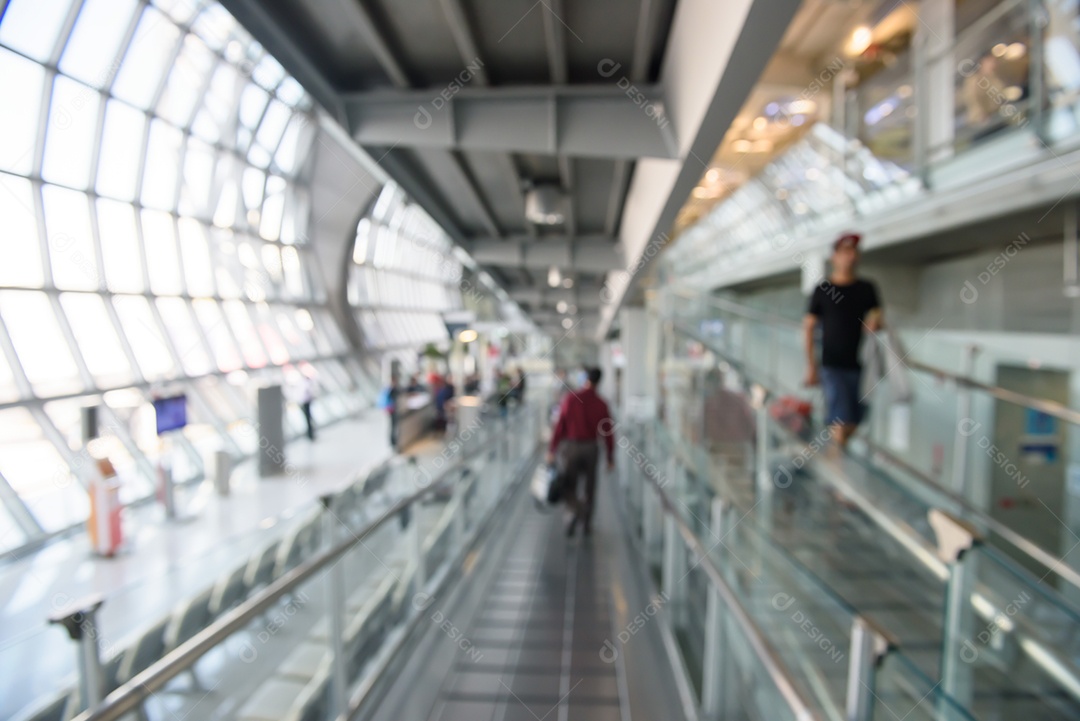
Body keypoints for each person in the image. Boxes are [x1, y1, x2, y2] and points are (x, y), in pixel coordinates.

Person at [803, 232, 883, 449]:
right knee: (840, 418)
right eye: (846, 252)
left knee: (854, 420)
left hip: (858, 364)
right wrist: (811, 365)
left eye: (854, 252)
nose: (851, 257)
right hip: (831, 364)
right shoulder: (823, 290)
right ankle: (837, 472)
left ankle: (837, 457)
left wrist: (874, 321)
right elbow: (808, 327)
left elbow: (877, 314)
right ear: (835, 257)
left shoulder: (866, 288)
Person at [546, 367, 615, 537]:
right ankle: (586, 524)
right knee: (590, 487)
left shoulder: (571, 399)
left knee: (569, 485)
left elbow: (560, 425)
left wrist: (552, 448)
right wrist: (610, 457)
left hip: (571, 447)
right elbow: (608, 432)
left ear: (586, 379)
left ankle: (575, 512)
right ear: (599, 381)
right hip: (591, 448)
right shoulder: (601, 404)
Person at [299, 373, 316, 441]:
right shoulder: (306, 384)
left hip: (305, 402)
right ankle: (310, 434)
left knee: (308, 418)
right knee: (308, 418)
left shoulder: (302, 384)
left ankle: (310, 434)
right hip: (305, 402)